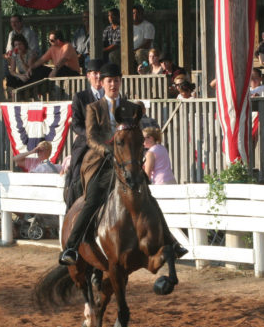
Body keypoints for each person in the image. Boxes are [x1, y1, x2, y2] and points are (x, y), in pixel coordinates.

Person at [58, 63, 184, 266]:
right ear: (102, 83)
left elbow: (136, 134)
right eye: (109, 81)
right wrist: (107, 149)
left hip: (126, 162)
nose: (113, 85)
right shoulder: (93, 108)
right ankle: (72, 246)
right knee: (92, 199)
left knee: (147, 195)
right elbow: (91, 137)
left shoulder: (131, 108)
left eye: (117, 80)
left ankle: (170, 240)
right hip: (101, 161)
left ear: (120, 82)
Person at [64, 59, 103, 205]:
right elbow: (76, 125)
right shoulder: (80, 97)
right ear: (88, 76)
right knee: (77, 173)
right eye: (95, 73)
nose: (98, 76)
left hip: (108, 142)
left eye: (100, 74)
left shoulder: (110, 97)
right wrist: (91, 135)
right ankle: (72, 206)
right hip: (86, 143)